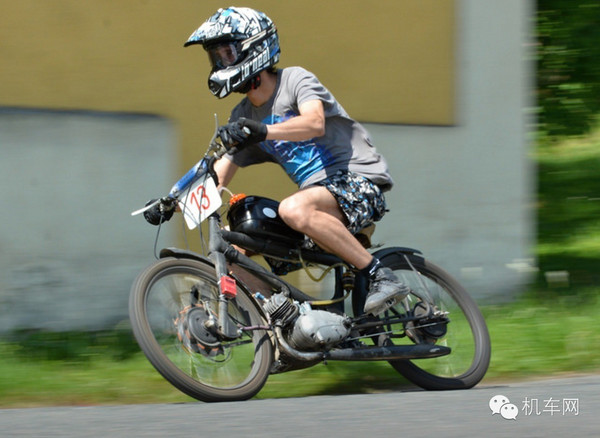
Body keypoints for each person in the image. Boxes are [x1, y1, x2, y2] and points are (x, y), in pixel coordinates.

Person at [182, 6, 408, 316]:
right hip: (316, 202)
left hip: (357, 181)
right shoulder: (242, 116)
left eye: (227, 53)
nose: (221, 62)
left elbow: (314, 123)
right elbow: (220, 172)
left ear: (254, 48)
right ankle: (282, 322)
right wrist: (176, 201)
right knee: (232, 251)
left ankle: (380, 274)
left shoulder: (295, 79)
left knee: (293, 207)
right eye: (216, 56)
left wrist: (264, 131)